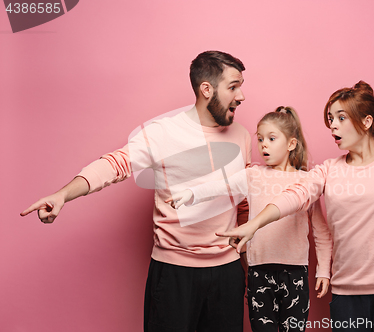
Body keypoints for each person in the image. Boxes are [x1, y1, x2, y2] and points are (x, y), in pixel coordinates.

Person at [20, 51, 252, 332]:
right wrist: (62, 195)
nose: (241, 96)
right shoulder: (162, 132)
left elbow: (242, 200)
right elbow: (115, 164)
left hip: (226, 274)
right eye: (233, 86)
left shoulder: (241, 135)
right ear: (207, 89)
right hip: (174, 273)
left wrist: (246, 259)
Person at [218, 81, 374, 331]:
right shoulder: (328, 170)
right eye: (331, 118)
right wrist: (254, 225)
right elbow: (295, 195)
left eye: (341, 118)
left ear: (366, 122)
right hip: (346, 295)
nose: (332, 125)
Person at [168, 106, 333, 332]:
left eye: (272, 138)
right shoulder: (253, 175)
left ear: (291, 144)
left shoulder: (307, 182)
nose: (264, 144)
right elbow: (222, 186)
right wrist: (192, 194)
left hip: (296, 273)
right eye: (261, 139)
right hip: (259, 272)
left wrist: (323, 270)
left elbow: (321, 231)